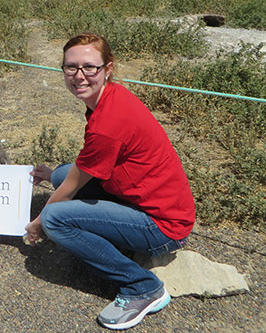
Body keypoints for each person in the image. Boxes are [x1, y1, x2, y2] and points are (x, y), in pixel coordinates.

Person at [25, 33, 195, 330]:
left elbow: (76, 185)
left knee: (55, 219)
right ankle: (118, 241)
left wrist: (38, 223)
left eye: (89, 67)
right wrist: (52, 175)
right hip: (148, 201)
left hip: (164, 225)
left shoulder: (109, 121)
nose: (79, 76)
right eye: (71, 67)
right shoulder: (109, 98)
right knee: (63, 173)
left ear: (108, 68)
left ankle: (142, 288)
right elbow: (77, 174)